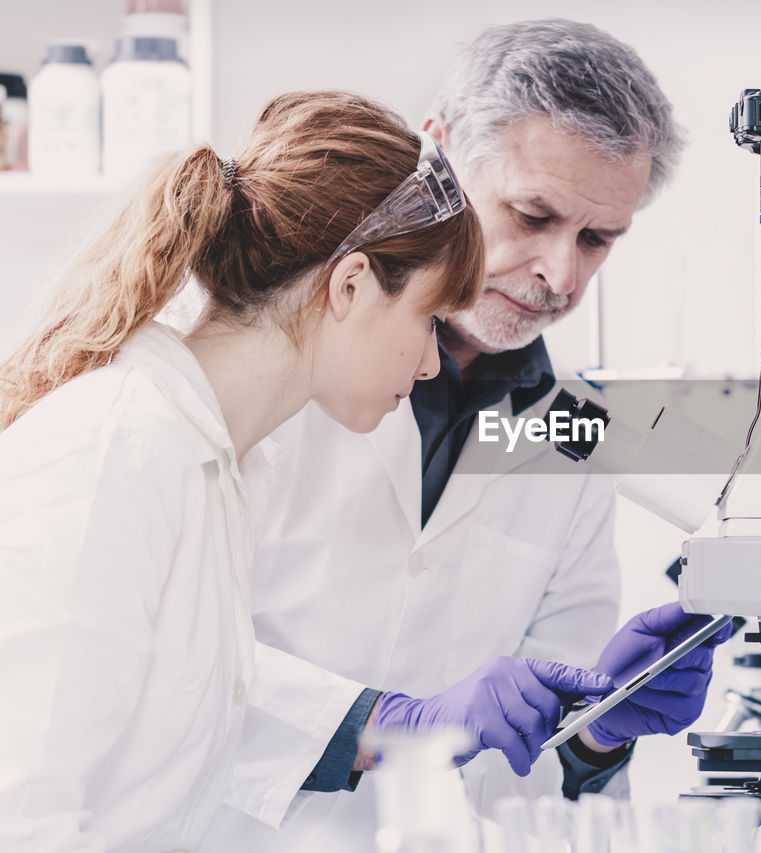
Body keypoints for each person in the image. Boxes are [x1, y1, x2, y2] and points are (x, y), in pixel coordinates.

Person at [204, 19, 719, 850]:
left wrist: (598, 728)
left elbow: (532, 770)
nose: (562, 273)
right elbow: (166, 662)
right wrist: (383, 722)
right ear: (435, 152)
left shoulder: (578, 437)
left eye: (596, 239)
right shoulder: (277, 355)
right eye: (532, 215)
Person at [0, 89, 560, 851]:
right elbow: (21, 811)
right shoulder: (118, 449)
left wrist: (398, 724)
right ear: (351, 283)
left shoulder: (220, 467)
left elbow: (174, 714)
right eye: (427, 317)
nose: (433, 362)